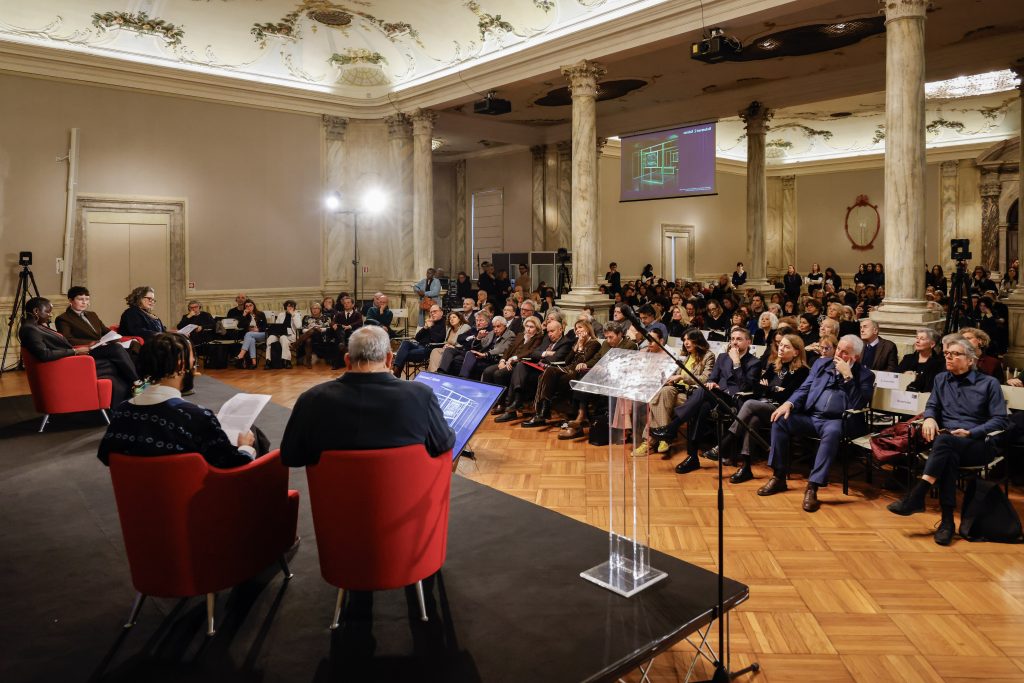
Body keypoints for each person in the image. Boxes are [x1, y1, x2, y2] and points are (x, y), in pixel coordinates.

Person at [887, 334, 1008, 545]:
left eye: (955, 354)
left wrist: (971, 433)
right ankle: (947, 522)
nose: (948, 357)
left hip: (979, 443)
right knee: (948, 453)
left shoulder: (989, 383)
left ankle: (919, 494)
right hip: (948, 445)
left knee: (944, 443)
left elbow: (1000, 420)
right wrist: (930, 418)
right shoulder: (941, 379)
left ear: (970, 360)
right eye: (947, 354)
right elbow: (932, 405)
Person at [280, 326, 456, 467]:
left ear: (347, 360)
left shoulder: (311, 399)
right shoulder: (421, 395)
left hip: (334, 499)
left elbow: (290, 456)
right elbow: (443, 445)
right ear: (389, 359)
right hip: (404, 497)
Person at [97, 332, 264, 468]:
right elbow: (233, 464)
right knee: (252, 434)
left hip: (137, 496)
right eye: (192, 359)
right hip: (196, 497)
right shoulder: (197, 418)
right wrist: (245, 447)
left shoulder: (122, 412)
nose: (194, 363)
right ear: (181, 365)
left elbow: (106, 456)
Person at [758, 334, 875, 512]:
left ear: (856, 357)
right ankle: (779, 476)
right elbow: (804, 388)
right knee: (780, 419)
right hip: (812, 416)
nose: (838, 354)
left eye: (845, 352)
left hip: (837, 421)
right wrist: (788, 403)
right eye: (838, 349)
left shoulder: (865, 375)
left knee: (832, 432)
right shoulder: (822, 364)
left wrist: (848, 376)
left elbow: (858, 403)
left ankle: (812, 487)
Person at [711, 334, 810, 483]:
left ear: (796, 352)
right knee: (753, 420)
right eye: (781, 345)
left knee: (749, 404)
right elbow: (757, 389)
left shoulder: (802, 372)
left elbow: (787, 397)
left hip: (784, 412)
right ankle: (746, 468)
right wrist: (774, 389)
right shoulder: (774, 366)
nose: (781, 348)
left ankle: (725, 443)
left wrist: (768, 389)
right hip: (765, 408)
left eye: (786, 346)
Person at [19, 296, 139, 407]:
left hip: (71, 359)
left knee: (116, 352)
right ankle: (136, 385)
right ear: (36, 311)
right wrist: (75, 351)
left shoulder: (36, 326)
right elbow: (44, 354)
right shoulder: (30, 329)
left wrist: (84, 347)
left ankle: (129, 395)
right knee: (115, 359)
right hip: (68, 365)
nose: (50, 315)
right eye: (48, 312)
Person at [638, 329, 716, 458]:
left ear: (697, 340)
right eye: (684, 340)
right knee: (661, 392)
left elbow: (704, 379)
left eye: (689, 339)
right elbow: (675, 374)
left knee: (657, 399)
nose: (686, 342)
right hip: (677, 391)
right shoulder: (686, 356)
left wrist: (681, 377)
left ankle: (650, 441)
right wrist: (670, 380)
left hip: (692, 395)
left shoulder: (708, 356)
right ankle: (664, 438)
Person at [521, 320, 602, 428]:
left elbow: (580, 362)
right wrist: (576, 346)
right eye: (576, 328)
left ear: (588, 329)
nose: (577, 330)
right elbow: (567, 361)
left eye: (580, 327)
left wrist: (580, 346)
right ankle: (542, 410)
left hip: (578, 372)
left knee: (549, 374)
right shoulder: (577, 342)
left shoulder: (594, 343)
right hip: (567, 369)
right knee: (546, 373)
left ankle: (542, 412)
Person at [495, 319, 573, 423]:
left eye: (552, 331)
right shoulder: (547, 339)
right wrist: (545, 353)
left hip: (549, 372)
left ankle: (513, 408)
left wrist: (540, 355)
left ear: (560, 330)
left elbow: (554, 359)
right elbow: (533, 353)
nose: (549, 334)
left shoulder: (566, 342)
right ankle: (516, 400)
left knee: (518, 372)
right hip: (537, 367)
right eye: (548, 331)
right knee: (520, 365)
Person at [483, 316, 544, 413]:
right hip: (507, 361)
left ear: (537, 328)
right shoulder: (520, 335)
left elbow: (531, 352)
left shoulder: (538, 338)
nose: (528, 329)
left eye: (531, 327)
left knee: (499, 374)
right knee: (487, 371)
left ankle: (502, 403)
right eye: (527, 326)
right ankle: (490, 400)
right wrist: (502, 360)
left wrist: (514, 358)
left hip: (520, 364)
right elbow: (509, 349)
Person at [393, 304, 446, 377]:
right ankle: (396, 371)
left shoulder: (444, 324)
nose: (432, 313)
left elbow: (437, 339)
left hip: (428, 349)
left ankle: (396, 371)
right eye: (431, 312)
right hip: (418, 346)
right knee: (405, 342)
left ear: (441, 313)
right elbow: (417, 338)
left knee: (402, 353)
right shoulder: (430, 322)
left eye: (435, 311)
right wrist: (425, 327)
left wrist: (430, 328)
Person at [460, 314, 515, 379]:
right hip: (484, 356)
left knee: (477, 365)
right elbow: (478, 346)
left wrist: (485, 354)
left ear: (505, 326)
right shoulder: (491, 333)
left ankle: (468, 380)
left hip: (494, 358)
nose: (495, 329)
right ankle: (462, 378)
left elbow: (502, 349)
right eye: (494, 327)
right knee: (470, 353)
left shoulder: (510, 335)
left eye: (498, 326)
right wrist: (478, 338)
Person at [265, 299, 301, 369]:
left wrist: (293, 315)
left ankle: (287, 361)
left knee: (283, 338)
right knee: (270, 338)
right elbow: (277, 325)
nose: (290, 308)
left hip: (291, 335)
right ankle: (268, 361)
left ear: (294, 308)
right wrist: (277, 333)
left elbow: (298, 326)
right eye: (288, 306)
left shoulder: (296, 315)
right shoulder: (281, 315)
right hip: (279, 334)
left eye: (292, 306)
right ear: (285, 307)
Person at [234, 299, 268, 368]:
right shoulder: (245, 316)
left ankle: (241, 354)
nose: (249, 307)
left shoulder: (261, 314)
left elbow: (265, 327)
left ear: (253, 306)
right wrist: (244, 315)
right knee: (251, 339)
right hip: (250, 336)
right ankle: (254, 363)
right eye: (246, 306)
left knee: (249, 334)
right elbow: (239, 326)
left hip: (262, 334)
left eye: (250, 305)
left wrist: (258, 329)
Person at [295, 302, 331, 368]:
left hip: (321, 336)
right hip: (309, 336)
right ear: (311, 309)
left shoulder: (326, 317)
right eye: (313, 308)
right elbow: (303, 329)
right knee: (308, 340)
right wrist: (312, 329)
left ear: (320, 309)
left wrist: (320, 329)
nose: (315, 310)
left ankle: (296, 344)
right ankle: (308, 361)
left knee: (314, 330)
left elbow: (328, 329)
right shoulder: (306, 317)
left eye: (317, 308)